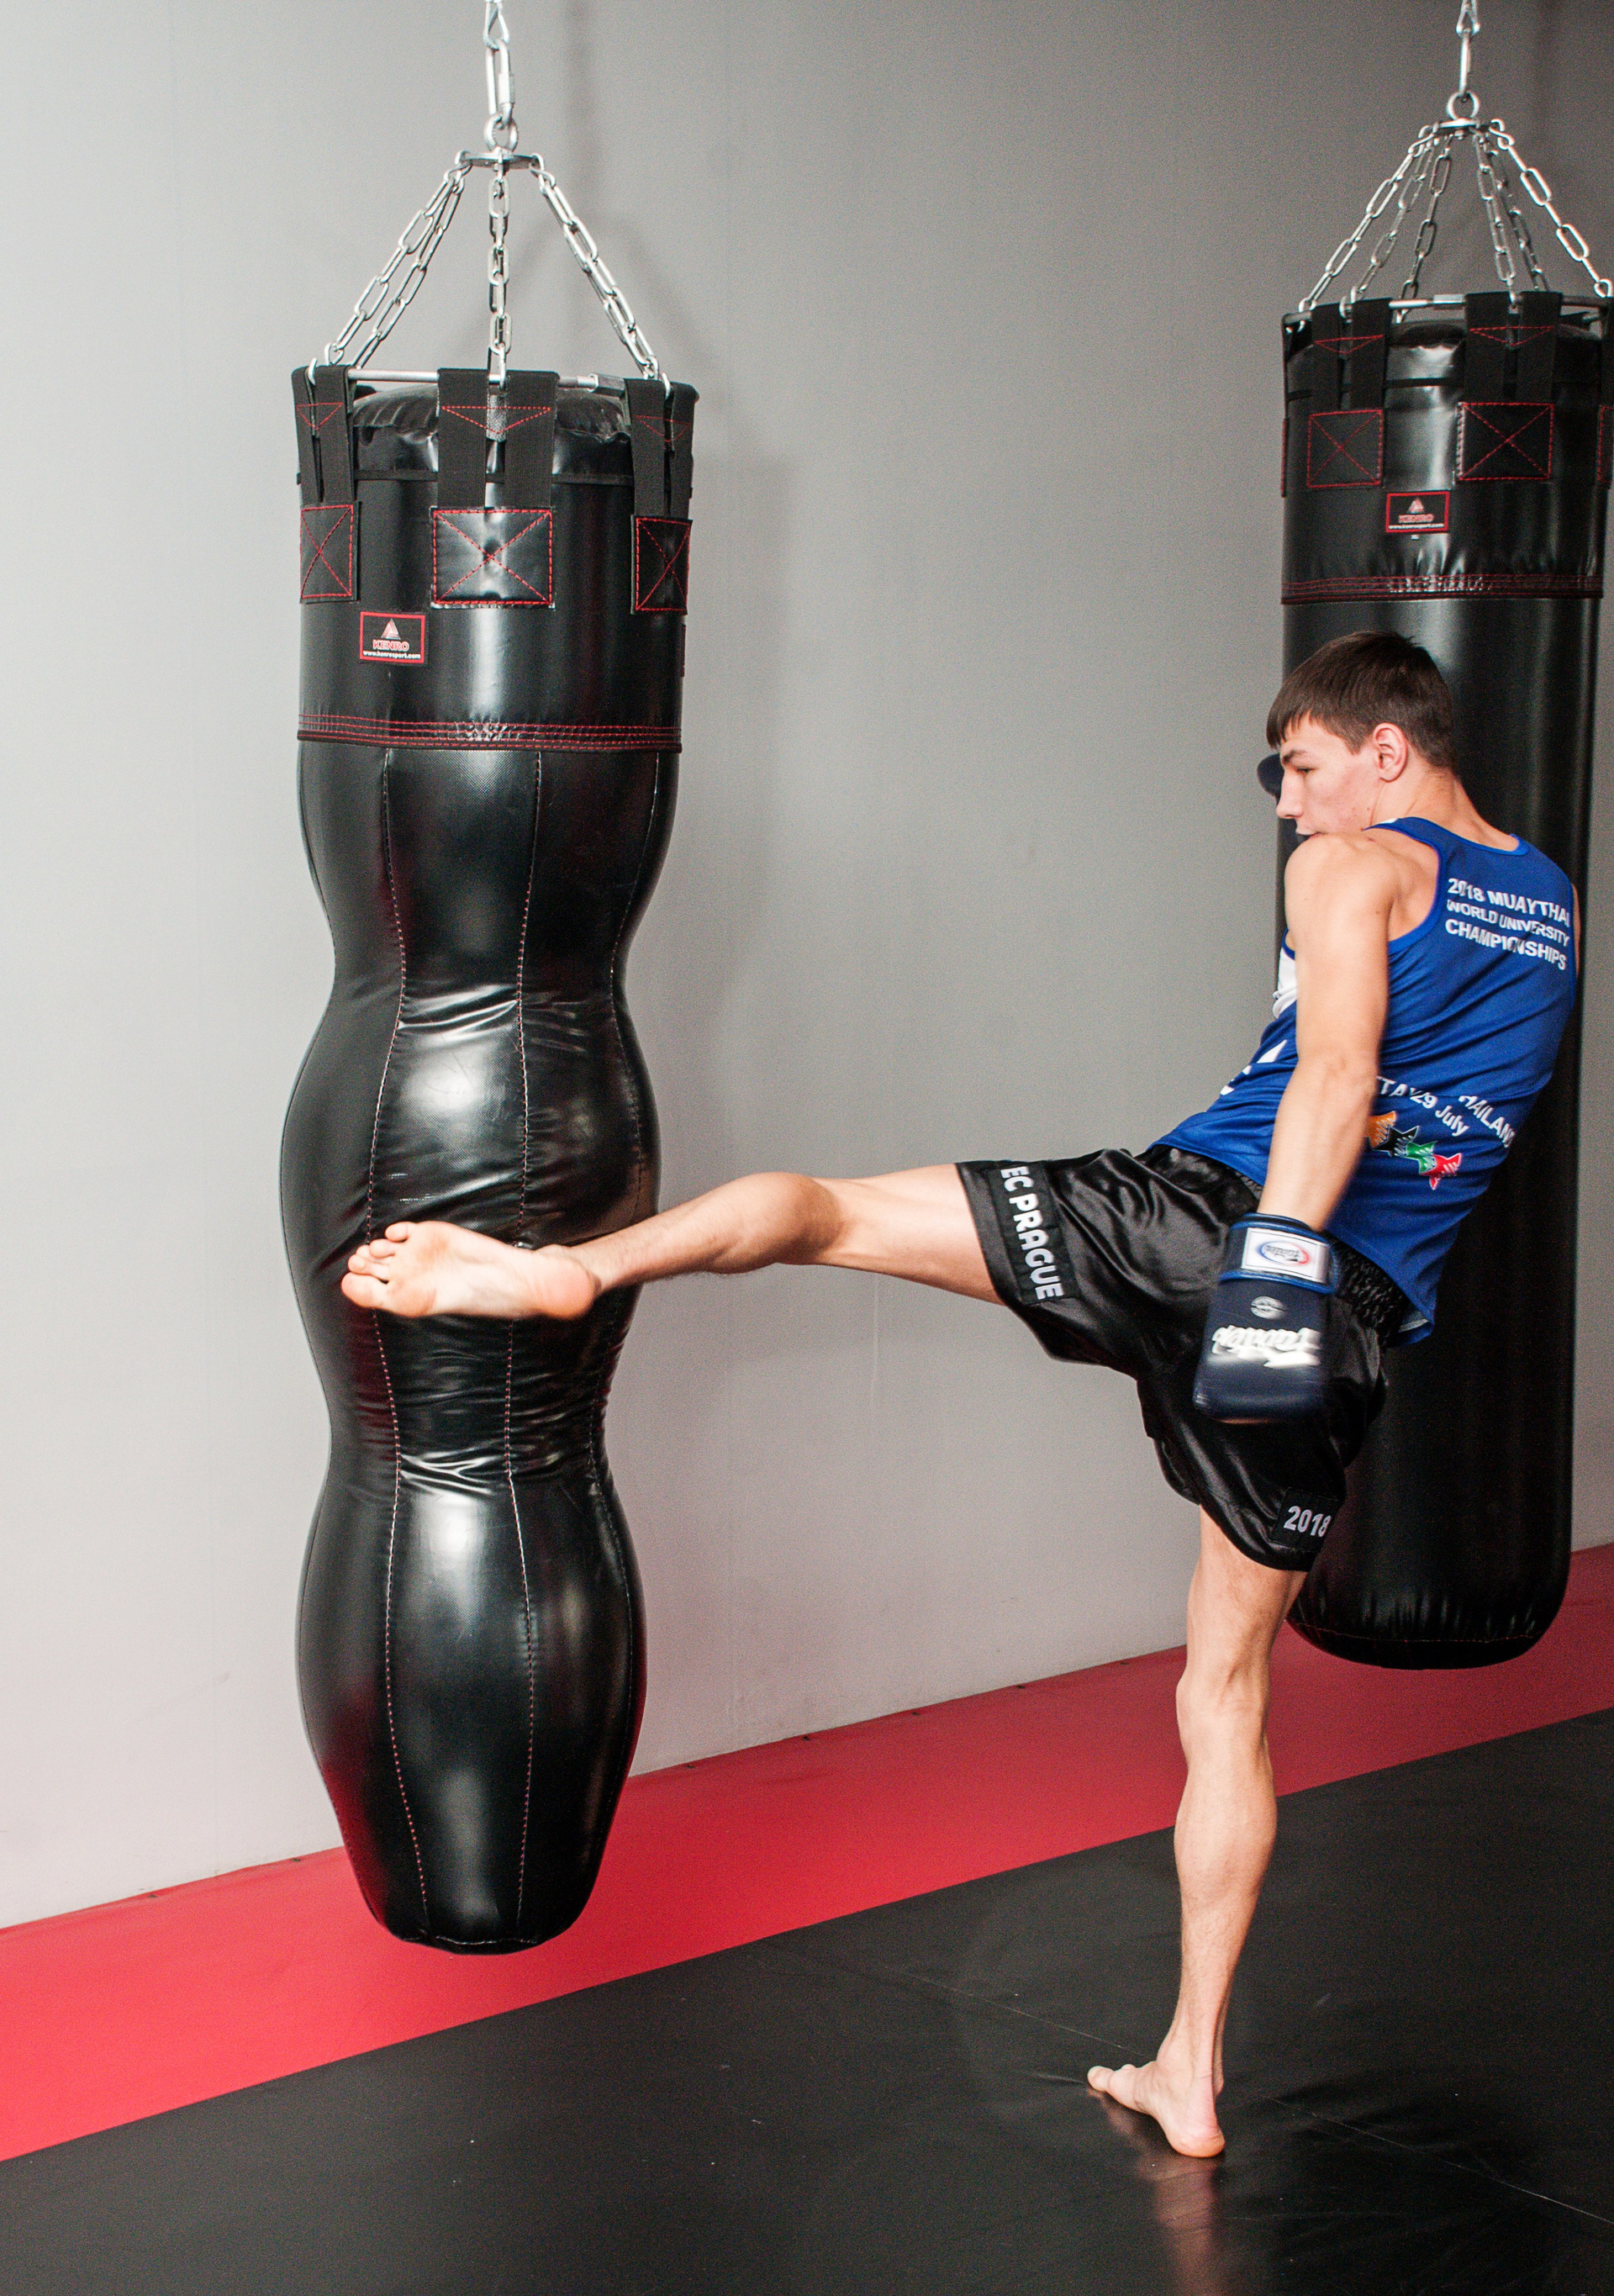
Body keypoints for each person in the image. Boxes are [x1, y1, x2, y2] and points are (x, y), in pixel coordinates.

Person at [340, 631, 1578, 2156]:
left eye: (1303, 768)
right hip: (1350, 1333)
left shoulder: (1354, 864)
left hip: (1206, 1233)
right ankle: (1190, 2068)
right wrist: (1299, 1298)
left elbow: (1336, 1074)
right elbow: (1468, 1108)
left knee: (827, 1213)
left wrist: (1267, 1264)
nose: (1289, 806)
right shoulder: (1551, 901)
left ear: (1386, 750)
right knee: (1227, 1695)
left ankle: (567, 1274)